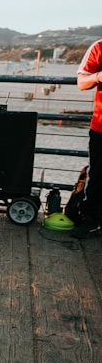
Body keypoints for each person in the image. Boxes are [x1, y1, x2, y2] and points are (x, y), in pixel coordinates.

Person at [74, 42, 102, 238]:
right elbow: (82, 82)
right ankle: (91, 220)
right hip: (101, 127)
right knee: (98, 177)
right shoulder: (99, 47)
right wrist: (100, 76)